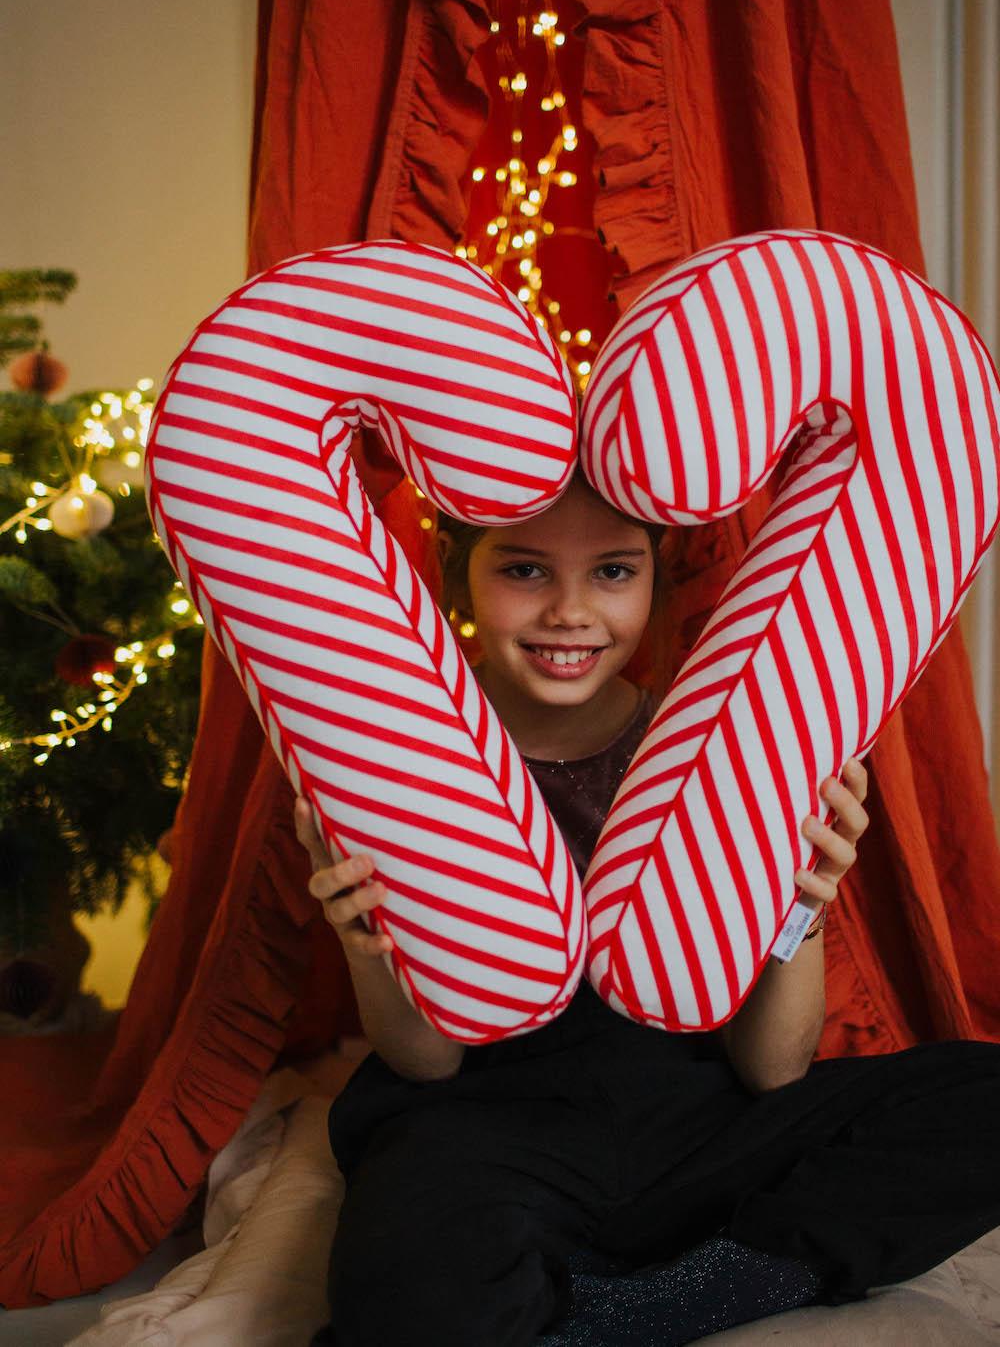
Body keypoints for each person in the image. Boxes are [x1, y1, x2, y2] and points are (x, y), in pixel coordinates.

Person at [297, 474, 1000, 1347]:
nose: (571, 612)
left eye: (613, 573)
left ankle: (652, 1307)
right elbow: (428, 1063)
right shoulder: (396, 754)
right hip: (492, 1123)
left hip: (694, 1122)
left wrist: (805, 904)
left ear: (656, 577)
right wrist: (368, 944)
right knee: (401, 1287)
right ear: (455, 574)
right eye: (523, 571)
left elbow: (774, 1072)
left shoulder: (726, 744)